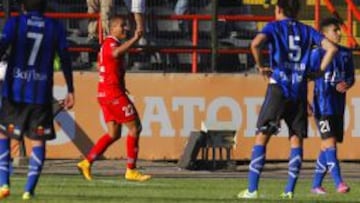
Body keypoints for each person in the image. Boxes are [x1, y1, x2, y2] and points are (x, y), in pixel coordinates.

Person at [237, 0, 337, 199]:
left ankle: (252, 189)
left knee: (262, 136)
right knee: (295, 140)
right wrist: (319, 72)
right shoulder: (306, 30)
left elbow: (255, 44)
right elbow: (332, 48)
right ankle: (289, 191)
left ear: (279, 9)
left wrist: (260, 65)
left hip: (279, 87)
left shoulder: (274, 26)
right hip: (299, 89)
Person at [0, 0, 75, 200]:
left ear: (23, 6)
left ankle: (4, 183)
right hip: (40, 94)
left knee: (3, 136)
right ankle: (28, 190)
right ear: (45, 8)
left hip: (14, 91)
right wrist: (70, 88)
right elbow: (65, 58)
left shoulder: (15, 23)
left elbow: (1, 47)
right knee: (38, 141)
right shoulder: (55, 27)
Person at [77, 15, 151, 182]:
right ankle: (131, 170)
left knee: (113, 134)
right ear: (113, 29)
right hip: (113, 94)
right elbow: (116, 53)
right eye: (122, 26)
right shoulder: (111, 43)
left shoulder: (109, 45)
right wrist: (135, 39)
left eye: (127, 26)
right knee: (135, 128)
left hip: (105, 93)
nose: (126, 28)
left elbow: (113, 65)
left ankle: (86, 162)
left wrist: (121, 83)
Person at [310, 17, 354, 195]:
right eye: (335, 30)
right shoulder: (317, 53)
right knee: (330, 143)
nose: (339, 33)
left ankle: (316, 185)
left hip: (337, 106)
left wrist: (347, 84)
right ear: (324, 34)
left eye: (339, 30)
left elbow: (351, 77)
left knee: (327, 145)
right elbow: (308, 77)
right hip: (322, 105)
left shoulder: (345, 53)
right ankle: (339, 183)